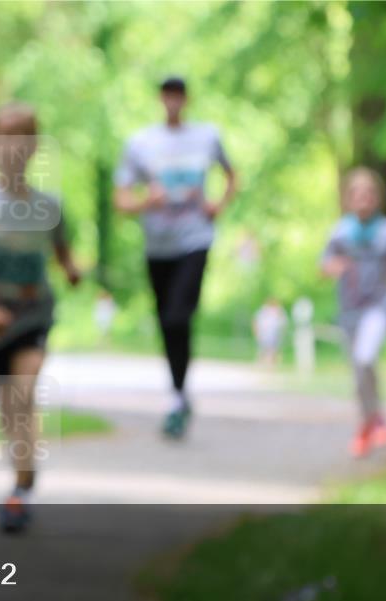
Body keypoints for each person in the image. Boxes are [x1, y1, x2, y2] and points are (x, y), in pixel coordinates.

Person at [0, 102, 81, 532]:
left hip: (33, 316)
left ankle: (20, 491)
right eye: (5, 137)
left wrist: (72, 269)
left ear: (34, 146)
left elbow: (63, 253)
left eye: (23, 136)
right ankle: (22, 480)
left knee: (24, 391)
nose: (14, 146)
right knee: (11, 410)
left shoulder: (49, 207)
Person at [113, 76, 236, 439]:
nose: (173, 101)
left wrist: (218, 205)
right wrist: (143, 202)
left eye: (178, 95)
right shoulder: (140, 142)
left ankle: (178, 397)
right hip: (158, 245)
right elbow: (121, 200)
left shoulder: (207, 136)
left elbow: (231, 176)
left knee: (179, 315)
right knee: (167, 323)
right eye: (167, 95)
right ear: (160, 98)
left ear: (186, 99)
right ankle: (179, 394)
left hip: (195, 239)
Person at [320, 167, 386, 458]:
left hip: (378, 308)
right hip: (348, 311)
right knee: (358, 372)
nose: (363, 198)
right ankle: (369, 422)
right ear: (348, 198)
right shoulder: (340, 231)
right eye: (357, 193)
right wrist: (333, 266)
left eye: (369, 193)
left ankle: (375, 420)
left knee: (365, 357)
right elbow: (323, 265)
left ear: (378, 197)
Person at [253, 298, 288, 365]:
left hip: (274, 334)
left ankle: (272, 365)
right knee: (264, 350)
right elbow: (256, 321)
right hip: (264, 334)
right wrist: (257, 332)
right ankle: (261, 364)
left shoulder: (279, 311)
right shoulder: (263, 311)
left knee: (274, 350)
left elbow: (283, 323)